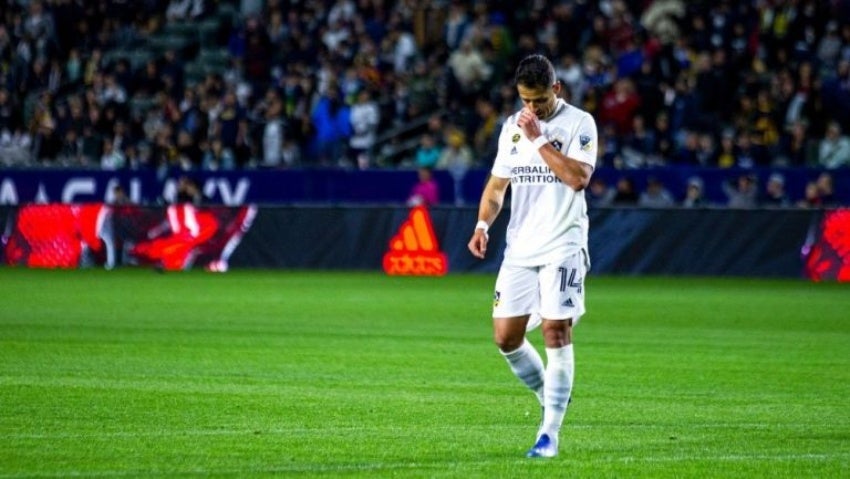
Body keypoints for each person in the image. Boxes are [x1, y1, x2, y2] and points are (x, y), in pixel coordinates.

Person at [467, 54, 598, 459]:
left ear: (556, 89)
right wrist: (483, 226)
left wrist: (540, 137)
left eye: (539, 100)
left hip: (563, 242)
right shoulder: (512, 128)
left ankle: (550, 435)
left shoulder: (580, 123)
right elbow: (495, 188)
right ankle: (550, 394)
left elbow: (577, 178)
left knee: (556, 330)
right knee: (506, 337)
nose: (532, 109)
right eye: (526, 101)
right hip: (520, 248)